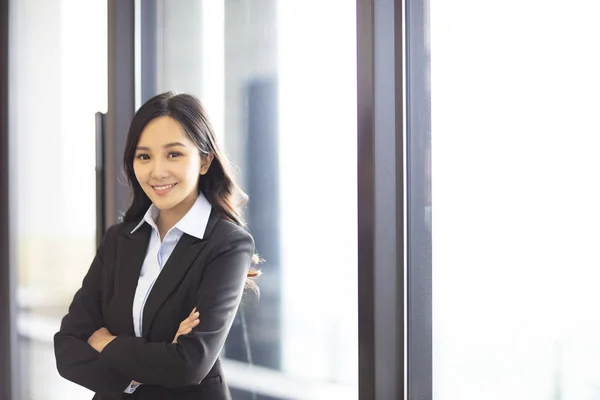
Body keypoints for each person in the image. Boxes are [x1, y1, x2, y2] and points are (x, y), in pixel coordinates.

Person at [54, 92, 260, 399]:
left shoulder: (227, 245)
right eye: (144, 156)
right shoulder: (118, 239)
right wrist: (150, 365)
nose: (157, 171)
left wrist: (104, 342)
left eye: (174, 154)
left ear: (205, 160)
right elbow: (68, 347)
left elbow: (189, 365)